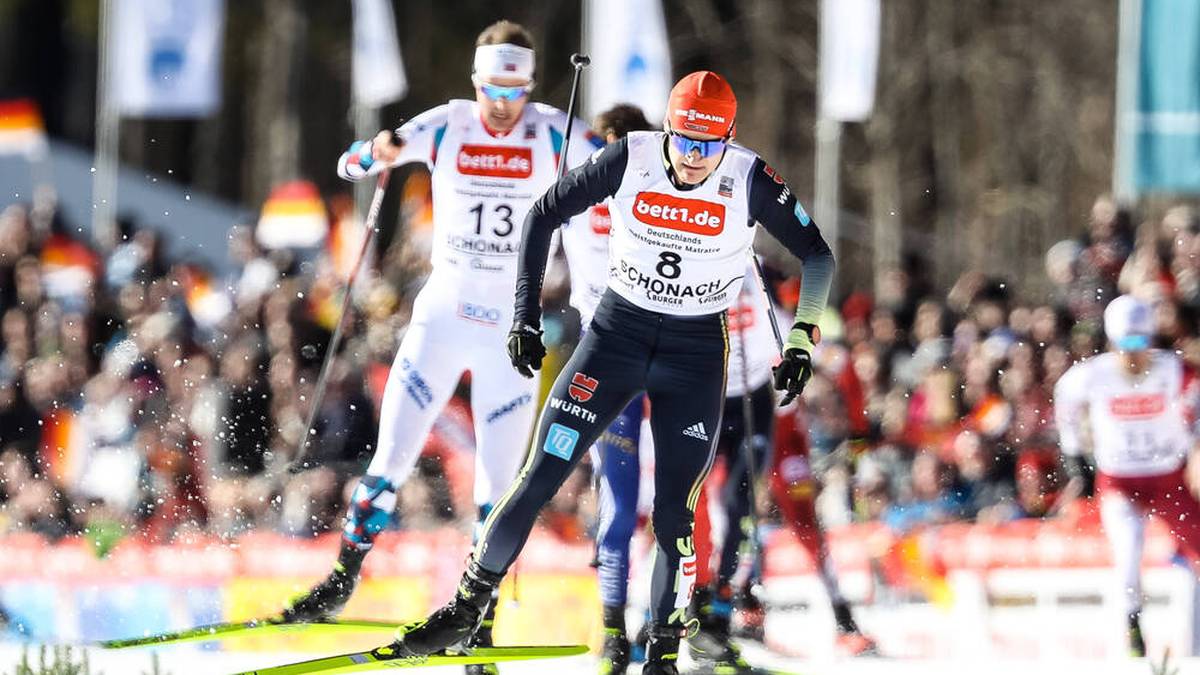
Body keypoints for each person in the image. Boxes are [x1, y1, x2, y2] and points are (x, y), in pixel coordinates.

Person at [387, 71, 836, 675]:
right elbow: (542, 213)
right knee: (541, 474)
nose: (698, 158)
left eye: (712, 145)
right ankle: (466, 608)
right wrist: (523, 316)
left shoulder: (749, 177)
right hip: (615, 338)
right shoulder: (633, 157)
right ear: (668, 129)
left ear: (729, 137)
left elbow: (818, 254)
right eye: (687, 141)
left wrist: (803, 339)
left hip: (694, 351)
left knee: (677, 512)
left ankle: (663, 655)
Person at [283, 20, 602, 673]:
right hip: (444, 316)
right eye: (492, 88)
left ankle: (476, 620)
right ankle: (341, 579)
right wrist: (376, 151)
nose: (503, 106)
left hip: (513, 332)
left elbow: (619, 172)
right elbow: (350, 164)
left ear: (531, 84)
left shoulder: (551, 127)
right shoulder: (449, 123)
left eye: (515, 90)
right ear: (477, 81)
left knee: (496, 489)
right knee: (390, 458)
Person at [557, 103, 655, 675]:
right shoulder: (579, 189)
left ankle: (668, 622)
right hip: (605, 359)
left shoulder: (660, 193)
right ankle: (614, 632)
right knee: (617, 507)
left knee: (673, 507)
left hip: (663, 359)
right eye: (607, 147)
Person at [1054, 294, 1200, 657]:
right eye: (1125, 344)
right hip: (1120, 479)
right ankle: (1132, 627)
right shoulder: (1094, 374)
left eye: (1141, 343)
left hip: (1167, 476)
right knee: (1128, 551)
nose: (1133, 355)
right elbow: (1064, 399)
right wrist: (1074, 454)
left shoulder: (1173, 370)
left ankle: (1193, 642)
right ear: (1111, 342)